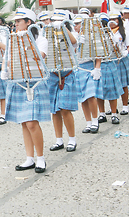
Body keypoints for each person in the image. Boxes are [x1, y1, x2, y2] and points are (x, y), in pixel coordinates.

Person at [1, 8, 49, 173]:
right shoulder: (13, 40)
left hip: (34, 83)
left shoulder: (40, 39)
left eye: (19, 21)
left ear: (29, 22)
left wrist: (25, 44)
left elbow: (40, 56)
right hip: (18, 82)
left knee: (32, 123)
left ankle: (40, 158)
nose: (16, 25)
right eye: (15, 22)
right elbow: (7, 61)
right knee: (24, 122)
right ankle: (29, 158)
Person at [45, 11, 78, 153]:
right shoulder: (48, 34)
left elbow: (74, 42)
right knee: (55, 109)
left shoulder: (72, 33)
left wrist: (62, 27)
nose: (55, 23)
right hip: (52, 74)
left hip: (67, 73)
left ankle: (72, 139)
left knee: (65, 108)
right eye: (54, 20)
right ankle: (59, 140)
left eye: (59, 21)